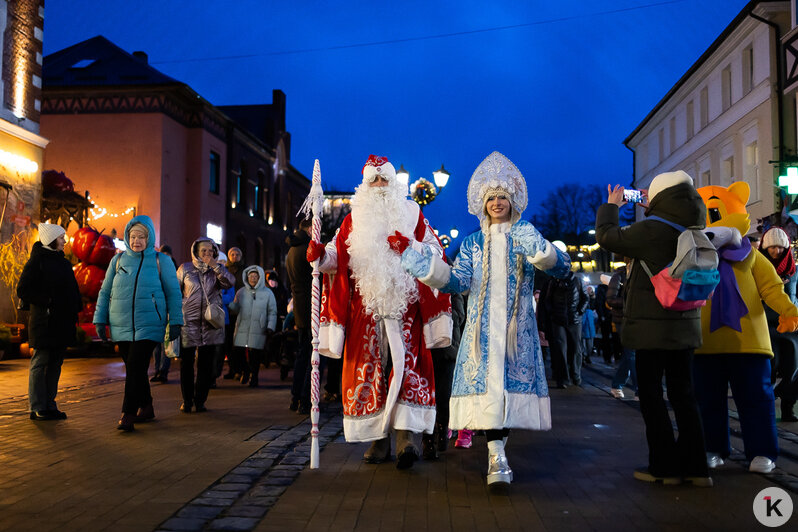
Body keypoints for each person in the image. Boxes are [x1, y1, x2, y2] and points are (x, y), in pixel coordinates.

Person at [400, 151, 570, 485]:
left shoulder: (525, 235)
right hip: (481, 335)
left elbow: (561, 268)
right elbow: (456, 281)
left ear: (512, 201)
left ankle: (499, 453)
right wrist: (421, 265)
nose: (496, 202)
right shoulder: (473, 243)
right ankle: (497, 457)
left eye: (502, 197)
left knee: (506, 396)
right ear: (483, 203)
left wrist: (539, 249)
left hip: (515, 334)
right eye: (491, 197)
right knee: (490, 396)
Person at [309, 154, 452, 470]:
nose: (378, 185)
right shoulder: (352, 219)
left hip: (406, 307)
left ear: (393, 183)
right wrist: (320, 254)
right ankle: (379, 439)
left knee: (407, 370)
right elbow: (336, 255)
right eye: (372, 180)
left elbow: (435, 250)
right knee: (371, 372)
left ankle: (405, 440)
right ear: (364, 185)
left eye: (384, 179)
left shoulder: (413, 214)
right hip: (366, 309)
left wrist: (409, 246)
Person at [595, 171, 712, 487]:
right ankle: (698, 468)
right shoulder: (695, 227)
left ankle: (664, 467)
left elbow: (606, 236)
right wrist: (653, 204)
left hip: (651, 330)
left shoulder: (650, 230)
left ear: (660, 198)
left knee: (651, 396)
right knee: (685, 396)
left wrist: (612, 206)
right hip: (686, 326)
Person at [94, 216, 183, 431]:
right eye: (133, 236)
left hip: (150, 324)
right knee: (136, 369)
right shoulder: (118, 261)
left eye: (142, 237)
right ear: (127, 237)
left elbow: (173, 293)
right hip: (121, 324)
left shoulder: (162, 261)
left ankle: (128, 413)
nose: (137, 241)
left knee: (135, 367)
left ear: (149, 237)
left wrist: (176, 321)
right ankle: (147, 406)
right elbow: (105, 292)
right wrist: (100, 318)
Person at [17, 223, 81, 421]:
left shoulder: (62, 262)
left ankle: (50, 404)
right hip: (44, 322)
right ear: (51, 240)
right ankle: (37, 406)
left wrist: (74, 309)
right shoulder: (38, 261)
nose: (64, 241)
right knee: (40, 361)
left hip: (61, 322)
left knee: (56, 364)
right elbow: (23, 289)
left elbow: (72, 291)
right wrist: (47, 300)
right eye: (61, 237)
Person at [177, 238, 235, 412]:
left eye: (210, 251)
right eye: (203, 251)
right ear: (196, 251)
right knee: (186, 363)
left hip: (210, 322)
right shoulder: (185, 269)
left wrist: (216, 267)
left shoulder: (217, 270)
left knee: (206, 364)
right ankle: (187, 401)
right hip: (189, 322)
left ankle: (200, 400)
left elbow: (230, 282)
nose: (207, 254)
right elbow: (175, 290)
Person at [759, 227, 798, 422]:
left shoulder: (794, 270)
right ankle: (765, 406)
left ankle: (788, 406)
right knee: (769, 368)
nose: (776, 251)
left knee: (793, 369)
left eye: (781, 247)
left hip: (791, 327)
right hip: (765, 325)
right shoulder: (757, 267)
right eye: (772, 247)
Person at [229, 265, 277, 388]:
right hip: (242, 326)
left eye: (255, 276)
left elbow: (272, 311)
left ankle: (254, 377)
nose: (253, 279)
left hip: (258, 328)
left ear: (260, 278)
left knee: (255, 355)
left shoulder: (267, 293)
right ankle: (245, 371)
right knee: (238, 352)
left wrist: (270, 326)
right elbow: (235, 308)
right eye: (251, 276)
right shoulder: (241, 292)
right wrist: (231, 306)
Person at [286, 218, 314, 413]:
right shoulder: (306, 248)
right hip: (310, 307)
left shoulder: (293, 248)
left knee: (303, 354)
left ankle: (296, 396)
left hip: (300, 308)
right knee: (311, 356)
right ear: (310, 228)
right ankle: (305, 398)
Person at [543, 270, 589, 388]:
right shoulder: (554, 282)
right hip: (559, 321)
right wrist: (553, 314)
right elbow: (547, 300)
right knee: (561, 350)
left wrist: (579, 312)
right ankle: (564, 378)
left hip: (574, 320)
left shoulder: (577, 281)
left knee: (575, 349)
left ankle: (575, 375)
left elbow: (585, 298)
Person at [607, 258, 637, 399]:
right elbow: (610, 299)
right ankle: (639, 389)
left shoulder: (637, 275)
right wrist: (629, 303)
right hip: (622, 319)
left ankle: (616, 384)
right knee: (632, 354)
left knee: (629, 355)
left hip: (636, 318)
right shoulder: (618, 277)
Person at [151, 244, 180, 383]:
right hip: (156, 311)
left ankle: (163, 372)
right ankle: (157, 370)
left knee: (165, 343)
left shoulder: (175, 270)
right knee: (156, 344)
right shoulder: (154, 269)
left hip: (168, 311)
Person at [223, 246, 245, 380]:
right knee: (228, 341)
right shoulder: (225, 270)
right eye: (232, 254)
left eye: (237, 254)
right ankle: (232, 368)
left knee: (239, 342)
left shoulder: (244, 270)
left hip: (241, 309)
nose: (235, 256)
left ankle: (240, 369)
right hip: (228, 310)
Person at [581, 284, 596, 365]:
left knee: (589, 343)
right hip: (584, 323)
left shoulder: (593, 300)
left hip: (589, 324)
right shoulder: (583, 298)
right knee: (583, 342)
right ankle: (583, 356)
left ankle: (587, 356)